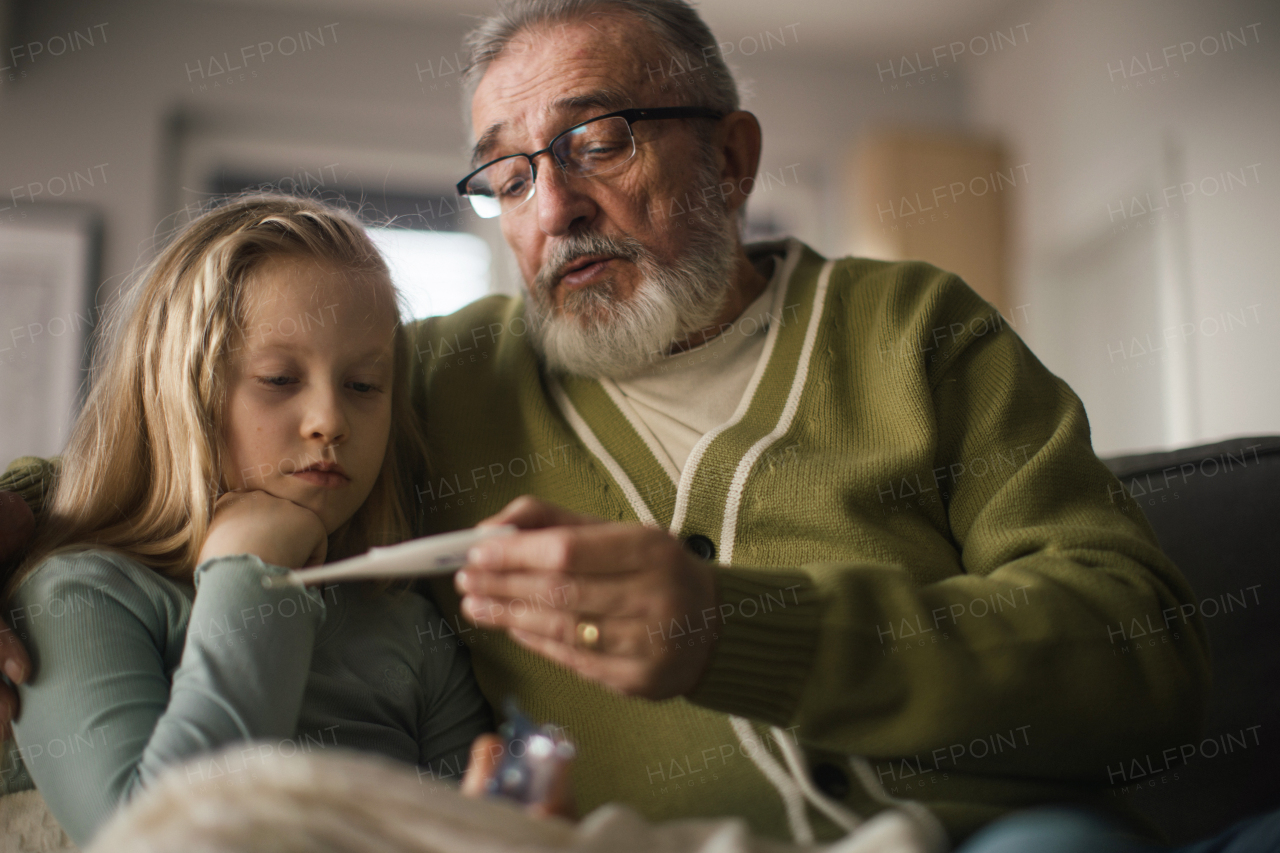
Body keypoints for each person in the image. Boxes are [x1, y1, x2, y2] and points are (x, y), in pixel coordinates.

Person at [0, 0, 1216, 848]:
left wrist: (735, 631)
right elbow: (177, 450)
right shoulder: (428, 380)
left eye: (596, 140)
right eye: (511, 176)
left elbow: (1146, 650)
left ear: (731, 158)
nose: (556, 206)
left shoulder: (914, 333)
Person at [0, 194, 492, 846]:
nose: (331, 420)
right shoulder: (77, 595)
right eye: (280, 378)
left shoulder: (410, 627)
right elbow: (155, 839)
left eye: (364, 385)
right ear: (182, 393)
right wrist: (250, 574)